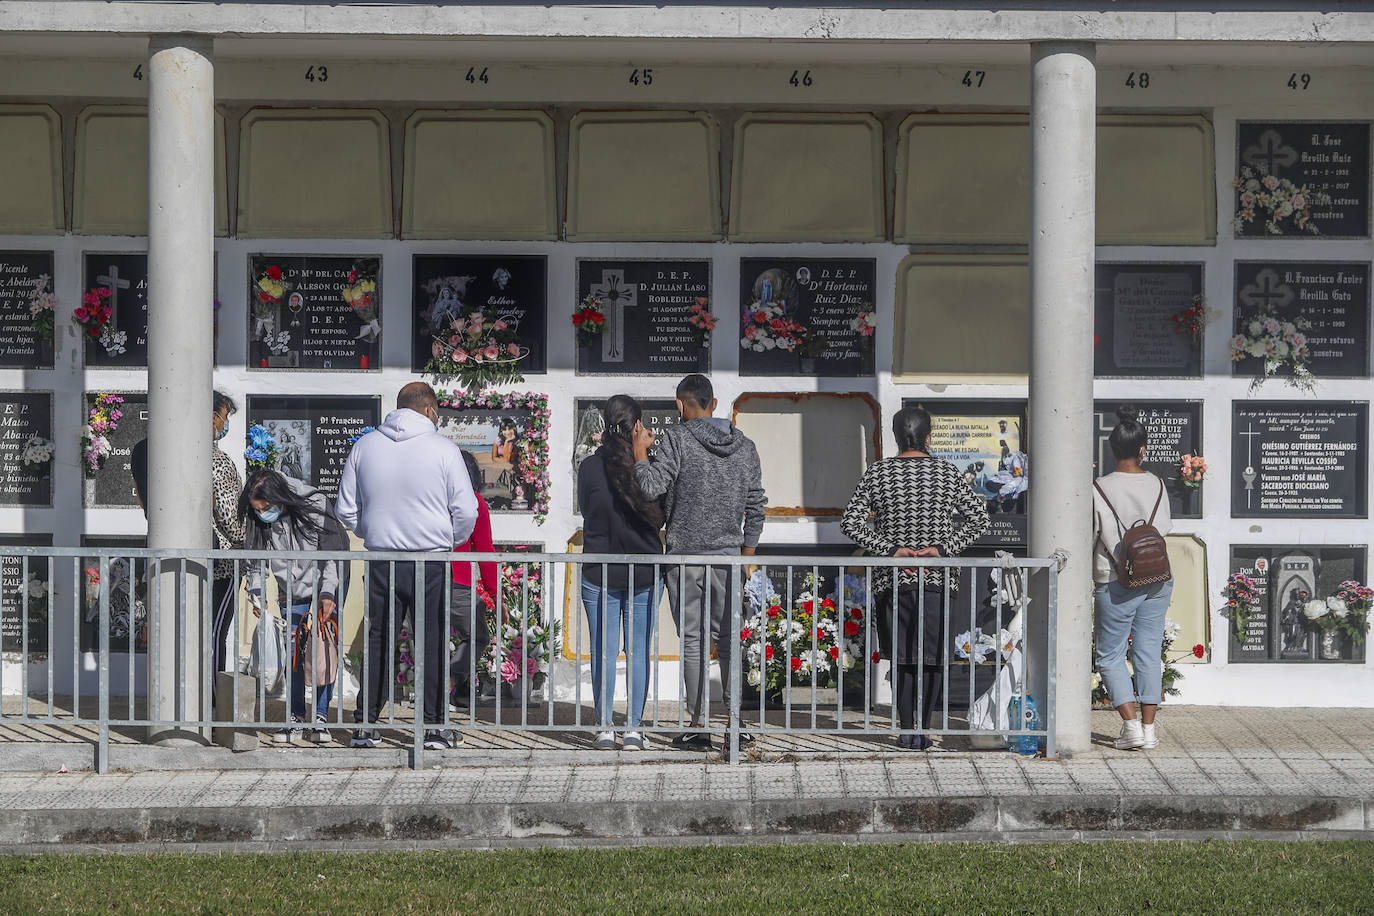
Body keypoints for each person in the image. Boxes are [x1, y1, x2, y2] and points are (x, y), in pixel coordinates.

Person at [336, 382, 478, 750]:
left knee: (378, 638)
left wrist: (376, 531)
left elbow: (345, 509)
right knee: (430, 641)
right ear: (430, 410)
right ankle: (432, 728)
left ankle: (365, 725)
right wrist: (448, 539)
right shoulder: (444, 449)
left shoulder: (364, 446)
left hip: (383, 558)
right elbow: (467, 511)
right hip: (430, 559)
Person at [841, 406, 990, 750]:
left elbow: (850, 522)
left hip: (892, 582)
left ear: (895, 437)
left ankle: (906, 727)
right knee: (933, 657)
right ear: (928, 437)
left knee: (902, 656)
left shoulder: (878, 474)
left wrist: (891, 550)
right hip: (937, 580)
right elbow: (979, 519)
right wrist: (942, 548)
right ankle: (923, 729)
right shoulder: (946, 473)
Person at [634, 374, 766, 751]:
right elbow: (756, 504)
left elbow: (650, 487)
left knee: (693, 641)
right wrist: (748, 555)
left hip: (686, 557)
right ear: (714, 402)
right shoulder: (746, 447)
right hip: (729, 559)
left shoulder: (676, 440)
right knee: (729, 643)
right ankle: (737, 725)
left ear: (680, 404)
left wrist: (641, 452)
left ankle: (698, 725)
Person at [580, 395, 665, 751]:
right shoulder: (647, 465)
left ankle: (603, 728)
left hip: (599, 571)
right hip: (644, 572)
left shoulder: (588, 467)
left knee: (603, 650)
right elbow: (662, 512)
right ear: (636, 427)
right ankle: (633, 728)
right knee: (638, 651)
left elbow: (587, 511)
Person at [239, 468, 345, 744]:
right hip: (291, 593)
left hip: (324, 588)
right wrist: (257, 595)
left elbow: (333, 555)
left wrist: (328, 593)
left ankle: (320, 716)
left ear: (280, 498)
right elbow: (254, 560)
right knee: (295, 657)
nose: (263, 514)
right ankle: (295, 716)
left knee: (323, 652)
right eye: (258, 510)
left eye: (267, 508)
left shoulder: (315, 504)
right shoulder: (258, 516)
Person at [1092, 405, 1173, 751]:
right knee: (1148, 652)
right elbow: (1165, 527)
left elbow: (1091, 533)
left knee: (1110, 655)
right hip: (1157, 578)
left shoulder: (1099, 488)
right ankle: (1150, 730)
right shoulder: (1156, 484)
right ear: (1143, 450)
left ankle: (1130, 727)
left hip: (1116, 580)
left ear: (1111, 450)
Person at [450, 450, 499, 710]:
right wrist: (495, 596)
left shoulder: (434, 499)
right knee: (477, 637)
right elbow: (485, 553)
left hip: (426, 581)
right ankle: (450, 682)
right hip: (458, 585)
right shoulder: (475, 502)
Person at [210, 391, 245, 706]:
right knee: (215, 633)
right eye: (225, 416)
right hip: (222, 562)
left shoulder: (185, 454)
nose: (225, 424)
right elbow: (228, 514)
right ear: (212, 417)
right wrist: (247, 540)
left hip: (200, 559)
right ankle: (212, 702)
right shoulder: (217, 461)